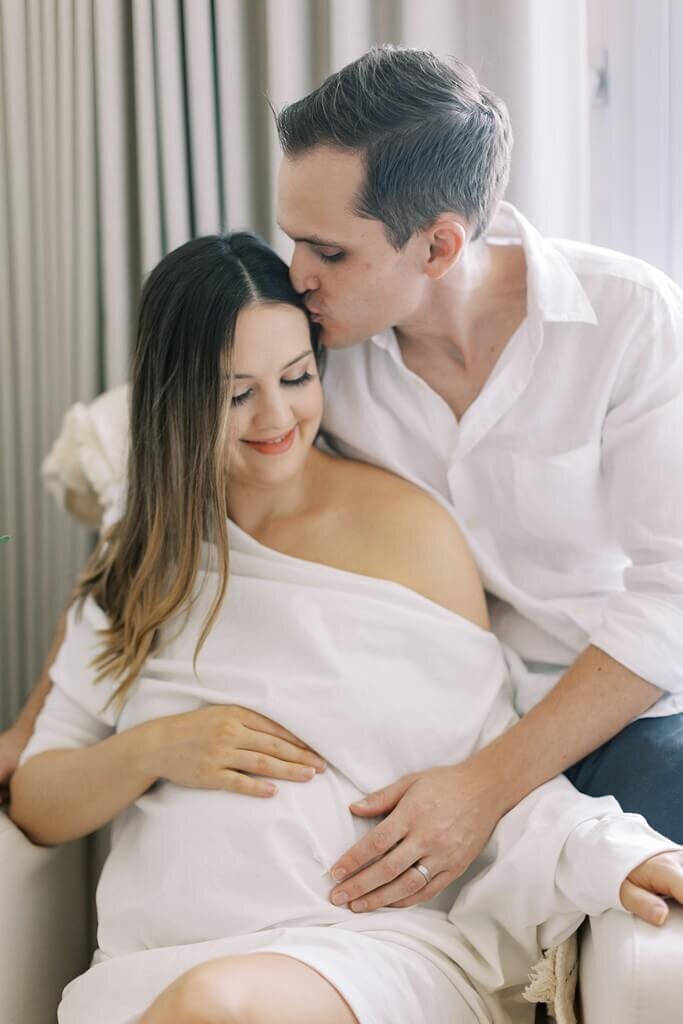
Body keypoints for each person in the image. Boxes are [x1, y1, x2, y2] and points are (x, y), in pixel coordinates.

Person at [3, 43, 683, 915]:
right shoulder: (314, 355)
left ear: (437, 246)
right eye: (292, 238)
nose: (296, 275)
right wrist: (33, 725)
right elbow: (154, 463)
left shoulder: (627, 320)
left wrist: (481, 787)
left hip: (621, 709)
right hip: (434, 709)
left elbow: (671, 596)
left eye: (327, 248)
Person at [8, 233, 683, 1024]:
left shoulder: (405, 531)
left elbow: (478, 762)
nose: (276, 417)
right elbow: (39, 800)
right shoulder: (143, 562)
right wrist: (158, 748)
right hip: (151, 966)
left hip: (367, 952)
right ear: (174, 400)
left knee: (217, 1006)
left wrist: (606, 854)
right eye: (235, 394)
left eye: (295, 378)